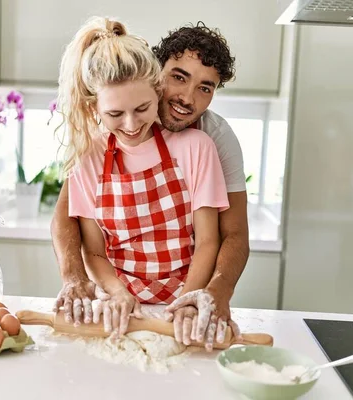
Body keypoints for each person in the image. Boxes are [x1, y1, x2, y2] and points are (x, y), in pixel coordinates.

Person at [52, 21, 249, 351]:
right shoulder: (94, 146)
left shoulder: (206, 142)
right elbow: (74, 228)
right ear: (159, 77)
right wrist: (98, 287)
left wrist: (206, 295)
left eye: (205, 87)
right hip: (121, 310)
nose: (186, 97)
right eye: (179, 77)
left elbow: (227, 236)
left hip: (181, 308)